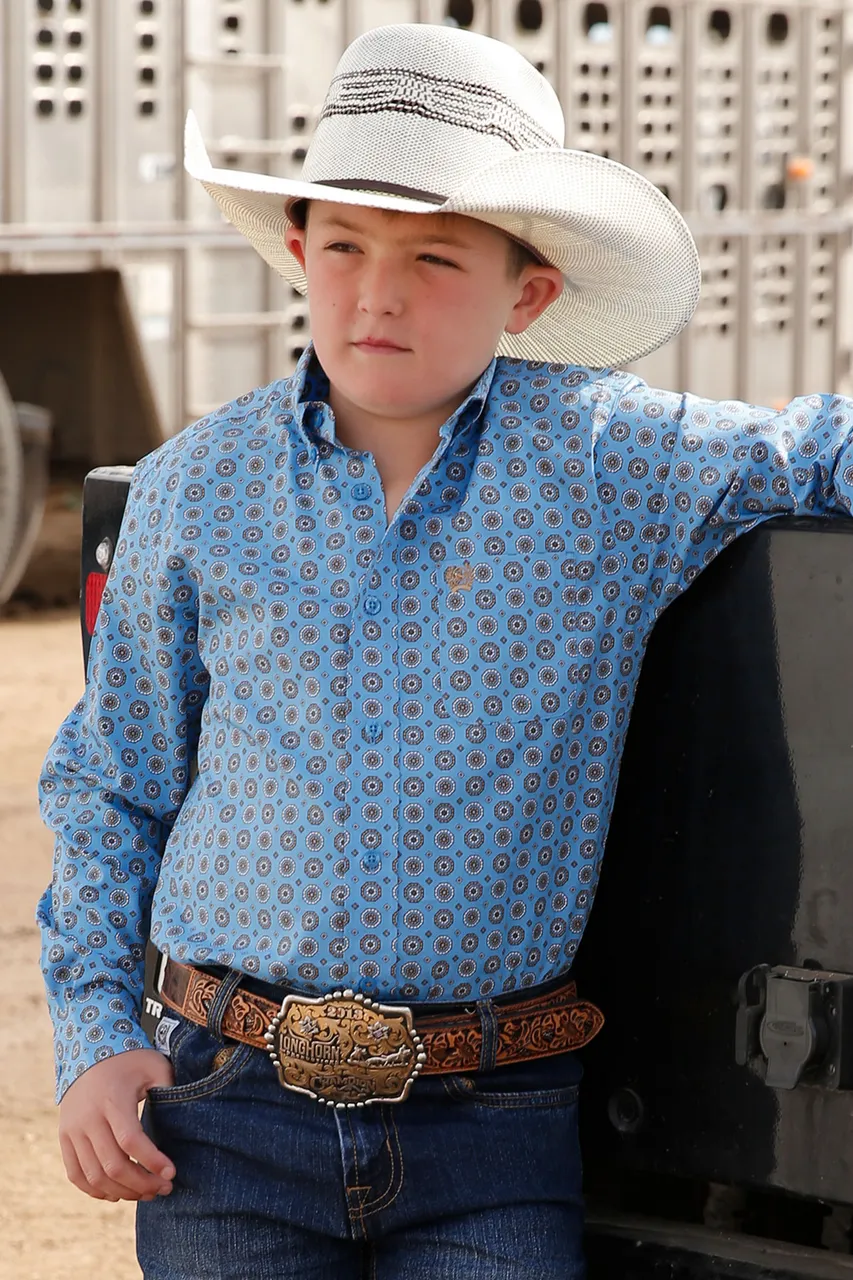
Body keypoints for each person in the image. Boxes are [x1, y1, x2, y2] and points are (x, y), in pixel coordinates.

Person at [36, 21, 853, 1280]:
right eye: (347, 245)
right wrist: (94, 1035)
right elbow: (115, 779)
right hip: (228, 1108)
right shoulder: (198, 484)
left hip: (494, 1115)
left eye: (434, 255)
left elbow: (816, 445)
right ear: (298, 249)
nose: (379, 292)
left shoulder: (613, 462)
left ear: (527, 292)